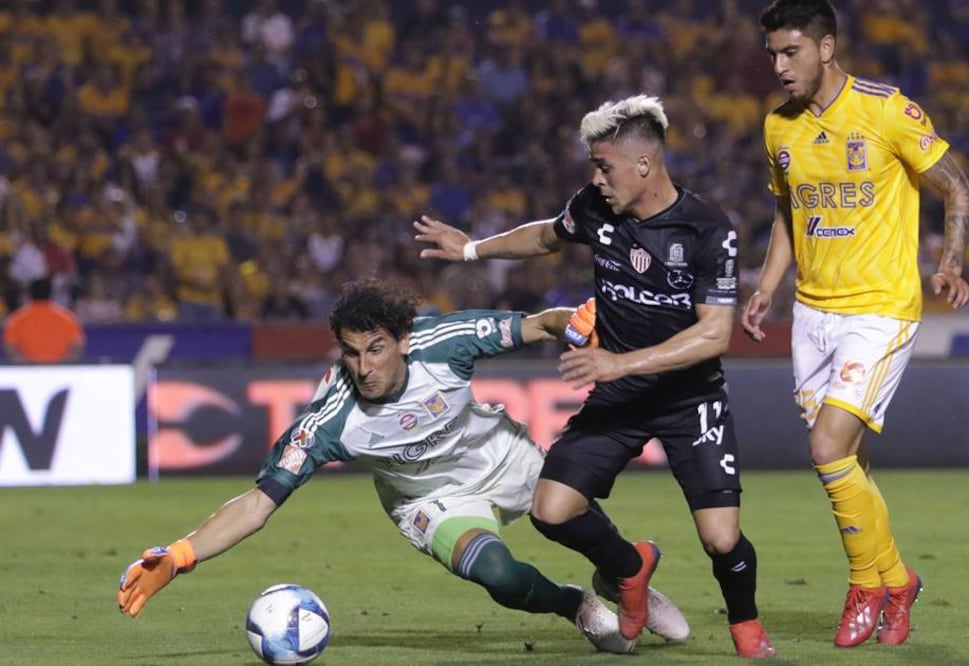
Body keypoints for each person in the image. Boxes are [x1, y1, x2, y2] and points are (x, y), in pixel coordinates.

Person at [415, 94, 774, 659]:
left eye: (604, 167)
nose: (596, 179)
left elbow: (714, 335)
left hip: (690, 398)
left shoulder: (708, 230)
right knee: (550, 511)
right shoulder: (595, 206)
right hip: (622, 396)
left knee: (720, 538)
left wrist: (617, 362)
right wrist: (472, 249)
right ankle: (630, 570)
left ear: (644, 166)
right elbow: (544, 237)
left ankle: (747, 627)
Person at [118, 278, 642, 655]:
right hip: (427, 500)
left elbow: (540, 325)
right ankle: (573, 605)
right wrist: (181, 554)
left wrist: (575, 323)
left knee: (568, 517)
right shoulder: (329, 421)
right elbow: (257, 504)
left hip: (499, 455)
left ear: (404, 339)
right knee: (499, 576)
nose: (364, 366)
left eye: (376, 348)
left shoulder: (445, 342)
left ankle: (623, 575)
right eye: (351, 352)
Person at [742, 0, 969, 649]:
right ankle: (896, 579)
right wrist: (765, 286)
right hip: (812, 314)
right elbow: (787, 213)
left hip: (878, 308)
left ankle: (865, 586)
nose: (779, 66)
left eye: (790, 52)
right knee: (847, 459)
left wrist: (949, 260)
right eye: (772, 56)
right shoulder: (777, 127)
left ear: (826, 46)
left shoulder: (885, 110)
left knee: (824, 449)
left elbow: (955, 186)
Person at [3, 277, 85, 363]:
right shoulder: (67, 318)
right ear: (51, 293)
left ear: (30, 294)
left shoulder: (17, 319)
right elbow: (77, 347)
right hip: (58, 373)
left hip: (28, 373)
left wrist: (29, 367)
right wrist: (59, 366)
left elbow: (10, 348)